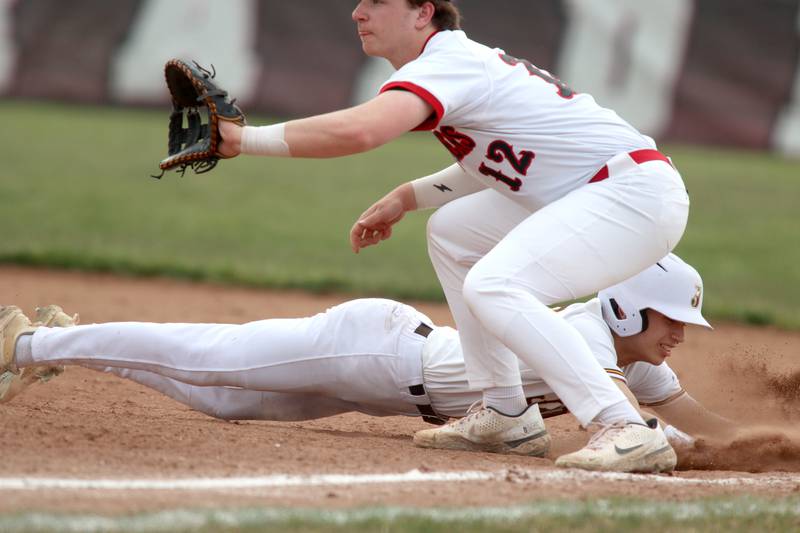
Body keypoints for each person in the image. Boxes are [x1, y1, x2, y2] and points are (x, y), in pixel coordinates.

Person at [212, 0, 690, 471]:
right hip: (597, 187)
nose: (358, 12)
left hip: (630, 194)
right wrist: (410, 196)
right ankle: (505, 412)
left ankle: (622, 425)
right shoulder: (455, 61)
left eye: (377, 2)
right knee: (454, 231)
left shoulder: (447, 62)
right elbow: (504, 159)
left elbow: (361, 131)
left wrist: (244, 139)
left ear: (424, 12)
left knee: (496, 285)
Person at [1, 255, 730, 471]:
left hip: (383, 386)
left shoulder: (632, 367)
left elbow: (701, 428)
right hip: (374, 348)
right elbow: (645, 432)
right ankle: (23, 343)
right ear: (631, 309)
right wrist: (678, 442)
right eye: (673, 320)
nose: (681, 336)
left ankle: (70, 338)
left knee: (219, 399)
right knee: (209, 354)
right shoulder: (578, 333)